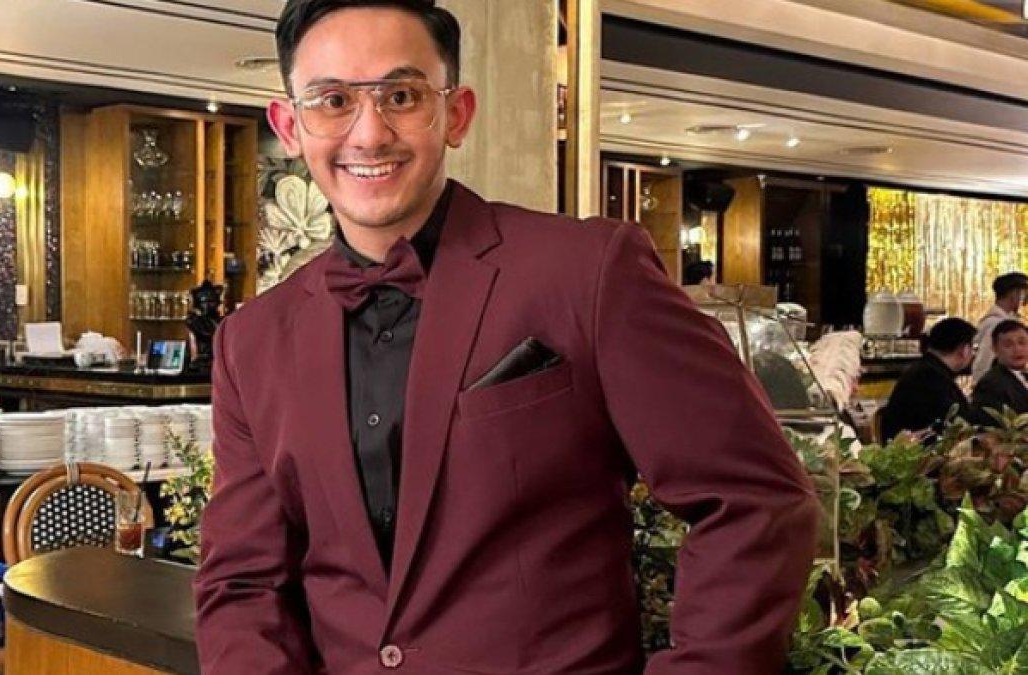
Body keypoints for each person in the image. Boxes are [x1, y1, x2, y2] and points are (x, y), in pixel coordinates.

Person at [193, 2, 819, 673]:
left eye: (401, 96)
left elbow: (753, 501)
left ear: (456, 113)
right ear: (289, 126)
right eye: (333, 100)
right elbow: (243, 583)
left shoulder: (587, 272)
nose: (369, 133)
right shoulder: (251, 341)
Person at [880, 317, 976, 443]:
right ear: (964, 350)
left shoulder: (927, 370)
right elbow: (957, 425)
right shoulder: (930, 378)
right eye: (973, 348)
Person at [970, 319, 1028, 427]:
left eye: (1022, 343)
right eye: (1008, 345)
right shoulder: (990, 384)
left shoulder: (1023, 376)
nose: (1017, 349)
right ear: (995, 349)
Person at [972, 272, 1028, 382]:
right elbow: (984, 363)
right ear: (1014, 293)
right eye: (1023, 294)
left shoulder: (1009, 319)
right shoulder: (995, 324)